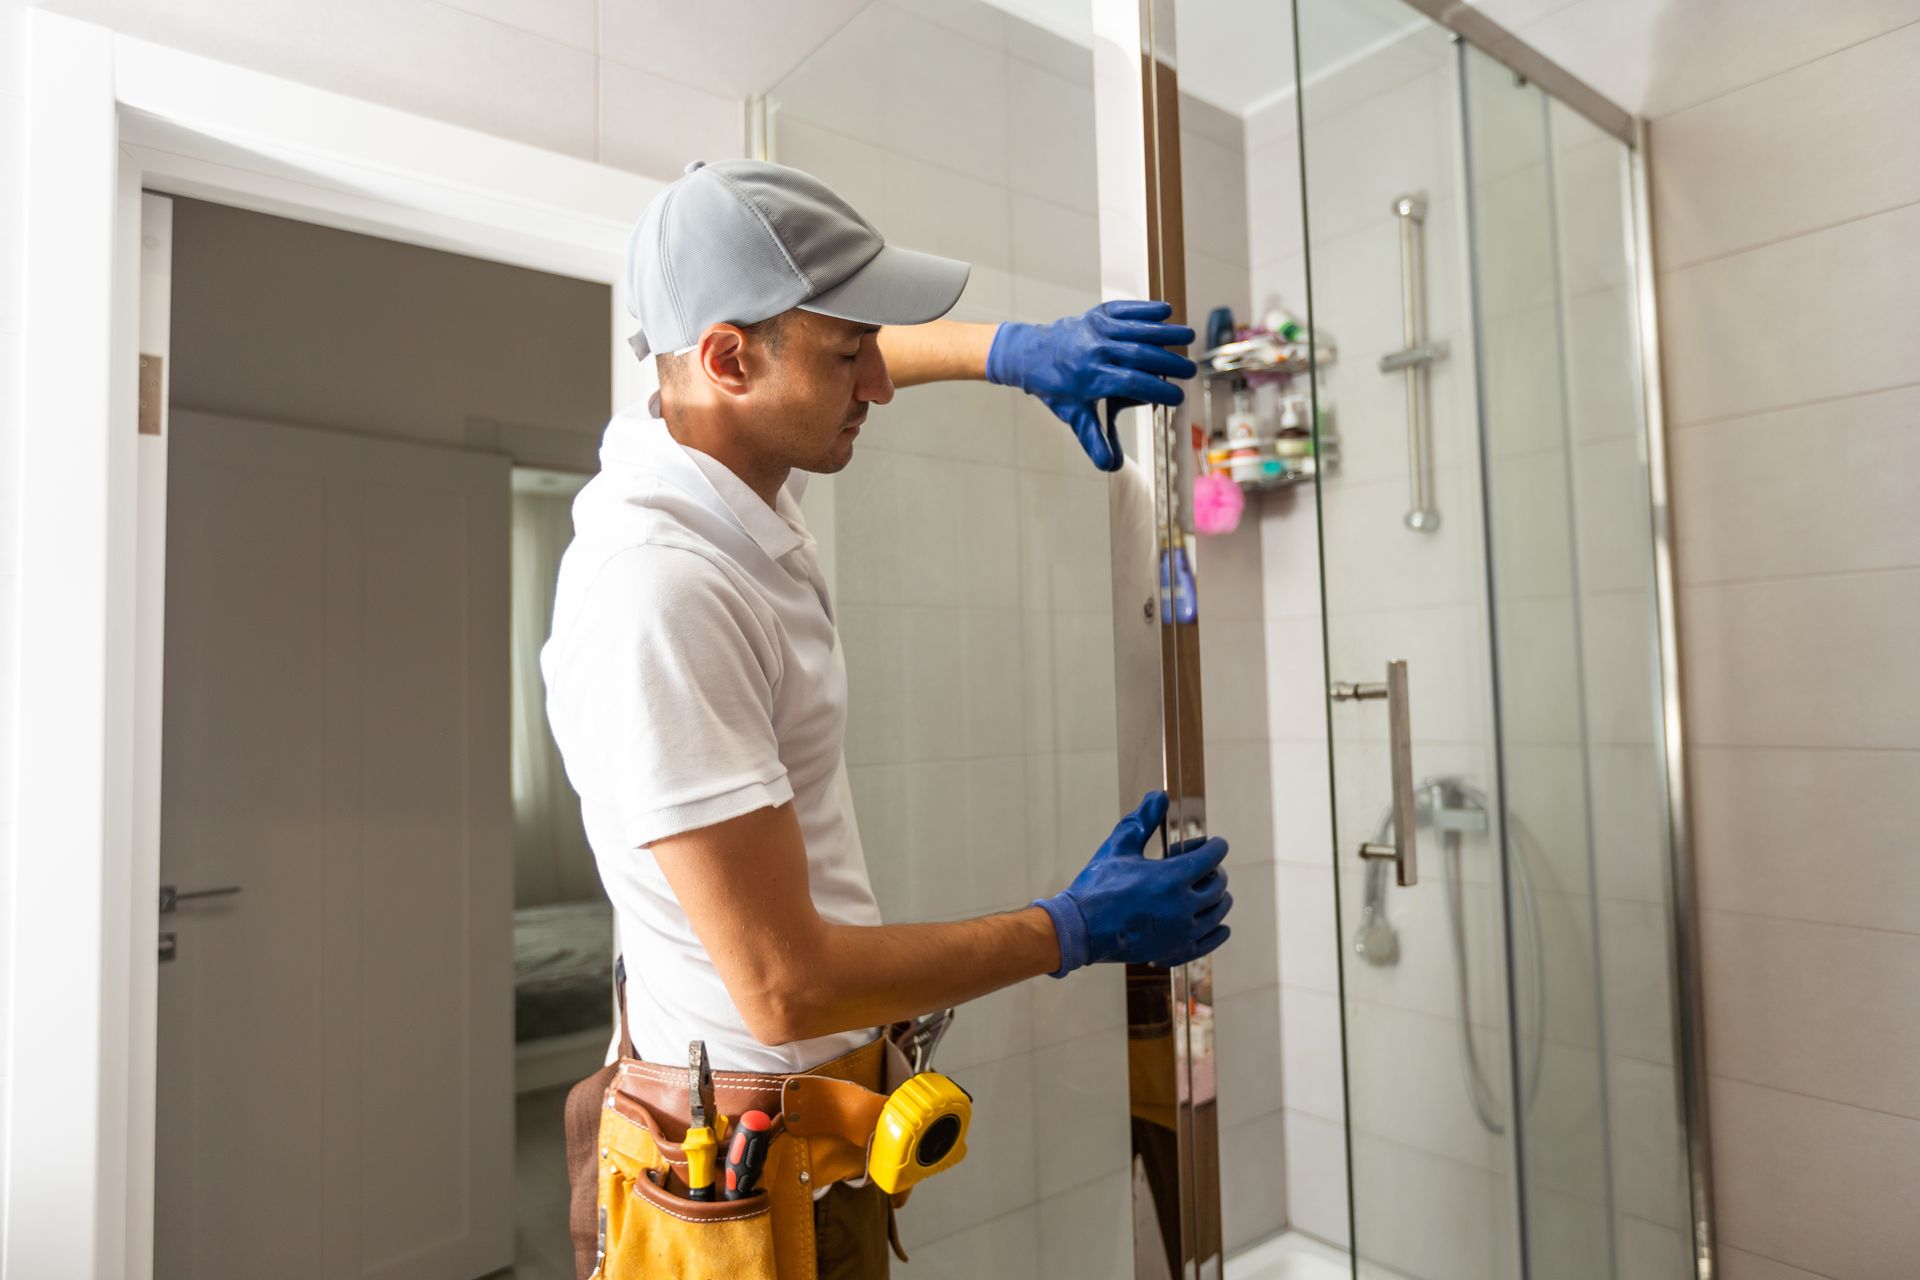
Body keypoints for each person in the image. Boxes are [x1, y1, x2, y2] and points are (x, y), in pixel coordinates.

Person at [541, 159, 1233, 1279]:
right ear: (728, 357)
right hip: (754, 1189)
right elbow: (784, 982)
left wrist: (1018, 353)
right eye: (848, 357)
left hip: (805, 1145)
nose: (878, 385)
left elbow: (826, 349)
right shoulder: (660, 591)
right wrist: (1075, 926)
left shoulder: (710, 450)